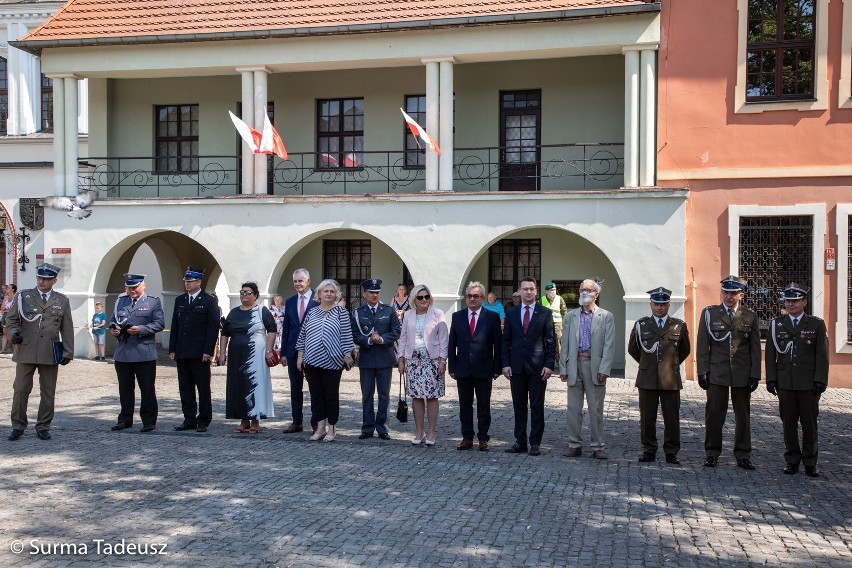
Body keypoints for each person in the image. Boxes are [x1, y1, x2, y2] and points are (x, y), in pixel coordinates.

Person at [696, 275, 761, 470]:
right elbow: (702, 345)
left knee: (743, 415)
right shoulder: (710, 314)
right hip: (718, 372)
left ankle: (743, 454)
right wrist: (702, 371)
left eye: (733, 293)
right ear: (722, 292)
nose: (729, 297)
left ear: (741, 294)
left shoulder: (750, 316)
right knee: (714, 414)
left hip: (742, 372)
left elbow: (755, 349)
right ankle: (712, 453)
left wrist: (755, 374)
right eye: (726, 292)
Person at [765, 283, 829, 477]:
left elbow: (822, 355)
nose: (791, 304)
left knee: (809, 424)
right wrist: (771, 379)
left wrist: (820, 380)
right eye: (788, 301)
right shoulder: (777, 324)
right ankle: (792, 460)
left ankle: (810, 461)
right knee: (788, 423)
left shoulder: (816, 324)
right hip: (785, 382)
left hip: (808, 383)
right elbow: (770, 354)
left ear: (804, 302)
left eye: (795, 301)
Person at [6, 263, 74, 441]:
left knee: (48, 392)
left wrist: (68, 352)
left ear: (54, 280)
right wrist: (14, 334)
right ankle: (18, 425)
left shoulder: (62, 301)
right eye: (39, 278)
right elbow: (11, 320)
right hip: (25, 348)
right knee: (20, 389)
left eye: (46, 279)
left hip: (49, 352)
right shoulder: (23, 296)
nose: (42, 281)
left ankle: (43, 426)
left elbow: (67, 329)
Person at [628, 287, 691, 465]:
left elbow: (684, 350)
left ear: (669, 305)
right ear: (651, 305)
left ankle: (671, 452)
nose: (660, 308)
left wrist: (670, 365)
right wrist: (648, 364)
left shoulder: (678, 325)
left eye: (663, 304)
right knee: (647, 417)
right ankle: (649, 450)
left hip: (670, 379)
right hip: (647, 379)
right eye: (656, 304)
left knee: (671, 417)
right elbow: (633, 349)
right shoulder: (642, 325)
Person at [560, 279, 615, 459]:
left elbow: (609, 345)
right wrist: (563, 367)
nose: (584, 292)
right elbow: (565, 343)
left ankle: (598, 445)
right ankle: (574, 444)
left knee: (596, 409)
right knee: (573, 409)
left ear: (596, 294)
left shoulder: (606, 316)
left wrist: (604, 369)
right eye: (582, 289)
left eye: (588, 290)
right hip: (575, 364)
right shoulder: (570, 316)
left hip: (595, 365)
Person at [296, 279, 355, 442]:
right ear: (319, 294)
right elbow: (303, 335)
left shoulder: (340, 312)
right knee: (316, 395)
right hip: (312, 360)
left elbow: (346, 334)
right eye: (326, 291)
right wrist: (300, 357)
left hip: (333, 360)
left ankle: (332, 428)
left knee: (331, 395)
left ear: (336, 295)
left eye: (332, 291)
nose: (329, 294)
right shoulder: (312, 312)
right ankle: (320, 427)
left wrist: (347, 354)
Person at [502, 277, 555, 456]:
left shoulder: (545, 313)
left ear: (536, 291)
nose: (528, 292)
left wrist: (549, 365)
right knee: (519, 405)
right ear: (519, 291)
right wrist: (505, 364)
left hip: (538, 368)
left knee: (537, 406)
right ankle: (520, 441)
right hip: (516, 367)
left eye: (531, 289)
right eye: (525, 289)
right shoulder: (511, 313)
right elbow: (506, 341)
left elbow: (550, 341)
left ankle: (535, 443)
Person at [447, 281, 502, 451]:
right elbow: (452, 344)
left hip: (484, 368)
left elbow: (498, 345)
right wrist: (452, 367)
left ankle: (483, 438)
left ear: (482, 298)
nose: (472, 299)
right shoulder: (458, 316)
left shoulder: (492, 317)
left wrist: (497, 368)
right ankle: (467, 437)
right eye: (469, 296)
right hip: (463, 368)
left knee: (484, 405)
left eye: (476, 296)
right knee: (465, 405)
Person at [109, 273, 165, 433]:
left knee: (147, 388)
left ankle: (148, 420)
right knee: (125, 389)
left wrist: (141, 329)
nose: (131, 290)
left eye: (134, 287)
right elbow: (113, 319)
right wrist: (114, 329)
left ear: (143, 285)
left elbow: (159, 323)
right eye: (128, 287)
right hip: (123, 352)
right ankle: (125, 419)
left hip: (144, 352)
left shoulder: (153, 302)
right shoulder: (121, 301)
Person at [218, 282, 277, 433]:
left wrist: (269, 350)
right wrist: (222, 353)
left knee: (254, 385)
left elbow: (272, 330)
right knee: (238, 386)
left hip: (256, 355)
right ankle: (243, 420)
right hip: (236, 356)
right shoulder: (233, 312)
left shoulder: (261, 311)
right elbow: (225, 333)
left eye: (248, 292)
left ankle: (255, 420)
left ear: (255, 295)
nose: (244, 295)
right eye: (242, 292)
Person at [169, 267, 220, 433]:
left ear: (199, 282)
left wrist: (208, 350)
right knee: (185, 387)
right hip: (182, 350)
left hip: (199, 352)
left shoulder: (208, 301)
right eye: (186, 281)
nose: (187, 284)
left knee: (202, 387)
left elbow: (213, 328)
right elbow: (175, 326)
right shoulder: (180, 300)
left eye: (190, 281)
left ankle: (204, 419)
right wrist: (172, 348)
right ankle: (189, 418)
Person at [396, 284, 448, 446]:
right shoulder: (408, 315)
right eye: (420, 297)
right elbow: (402, 338)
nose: (424, 300)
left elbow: (443, 339)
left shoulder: (437, 314)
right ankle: (419, 432)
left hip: (432, 362)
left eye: (426, 296)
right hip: (413, 362)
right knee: (416, 397)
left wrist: (442, 360)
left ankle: (431, 432)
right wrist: (401, 359)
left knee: (432, 397)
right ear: (414, 300)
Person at [352, 278, 401, 440]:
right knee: (367, 395)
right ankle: (367, 427)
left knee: (384, 395)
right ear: (365, 294)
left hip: (385, 359)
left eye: (377, 292)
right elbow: (354, 334)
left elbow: (396, 331)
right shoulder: (358, 313)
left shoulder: (388, 310)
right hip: (366, 359)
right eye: (371, 292)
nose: (374, 295)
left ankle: (382, 427)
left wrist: (381, 339)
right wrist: (368, 340)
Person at [279, 268, 319, 434]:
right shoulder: (289, 301)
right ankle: (297, 421)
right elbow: (286, 327)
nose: (297, 284)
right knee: (295, 387)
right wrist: (283, 353)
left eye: (300, 281)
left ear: (308, 281)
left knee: (315, 387)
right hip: (293, 350)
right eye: (295, 281)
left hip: (314, 350)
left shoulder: (318, 300)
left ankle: (317, 422)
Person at [542, 282, 567, 360]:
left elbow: (564, 312)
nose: (554, 291)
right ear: (547, 291)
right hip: (546, 325)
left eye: (555, 290)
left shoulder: (559, 299)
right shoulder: (542, 299)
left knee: (558, 343)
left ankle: (559, 361)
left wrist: (563, 323)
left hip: (557, 324)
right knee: (546, 342)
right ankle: (547, 361)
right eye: (551, 290)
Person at [1, 284, 17, 354]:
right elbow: (2, 309)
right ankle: (3, 349)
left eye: (9, 287)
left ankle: (10, 348)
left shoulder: (15, 297)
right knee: (4, 333)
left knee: (10, 333)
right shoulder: (6, 298)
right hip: (5, 316)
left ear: (13, 289)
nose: (7, 288)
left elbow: (14, 309)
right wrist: (6, 309)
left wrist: (6, 309)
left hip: (12, 316)